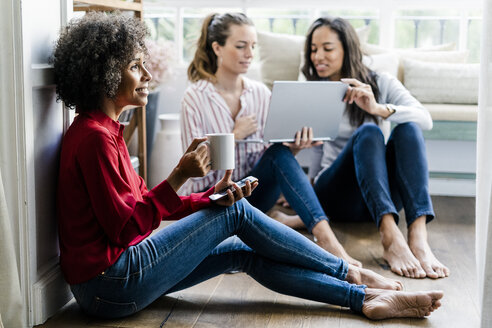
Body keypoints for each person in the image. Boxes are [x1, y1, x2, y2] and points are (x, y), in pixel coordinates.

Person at [52, 12, 444, 320]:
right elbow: (129, 227)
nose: (148, 75)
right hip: (111, 285)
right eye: (137, 66)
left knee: (241, 251)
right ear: (103, 75)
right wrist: (180, 177)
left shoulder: (107, 131)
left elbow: (142, 208)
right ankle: (352, 272)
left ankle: (358, 298)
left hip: (116, 279)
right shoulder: (94, 138)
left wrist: (209, 197)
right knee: (237, 215)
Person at [181, 12, 363, 267]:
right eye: (241, 46)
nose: (249, 54)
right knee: (275, 156)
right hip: (208, 199)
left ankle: (328, 242)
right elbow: (196, 169)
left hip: (250, 195)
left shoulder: (260, 93)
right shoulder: (195, 97)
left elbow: (272, 160)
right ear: (217, 48)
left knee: (280, 151)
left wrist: (295, 148)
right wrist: (234, 136)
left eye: (253, 46)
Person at [286, 16, 450, 279]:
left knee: (408, 127)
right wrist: (304, 193)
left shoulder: (381, 82)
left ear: (347, 49)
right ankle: (389, 237)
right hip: (337, 195)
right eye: (314, 49)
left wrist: (378, 109)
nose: (318, 56)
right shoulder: (314, 90)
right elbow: (314, 152)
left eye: (327, 48)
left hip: (378, 196)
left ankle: (418, 237)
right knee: (369, 132)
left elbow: (425, 118)